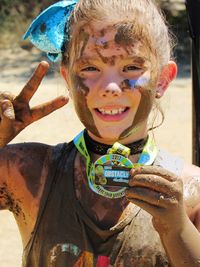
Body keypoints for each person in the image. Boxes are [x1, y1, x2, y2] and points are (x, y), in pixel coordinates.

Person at [0, 0, 200, 266]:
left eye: (131, 67)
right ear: (68, 79)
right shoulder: (31, 171)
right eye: (90, 68)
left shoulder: (191, 192)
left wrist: (177, 229)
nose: (110, 88)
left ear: (162, 80)